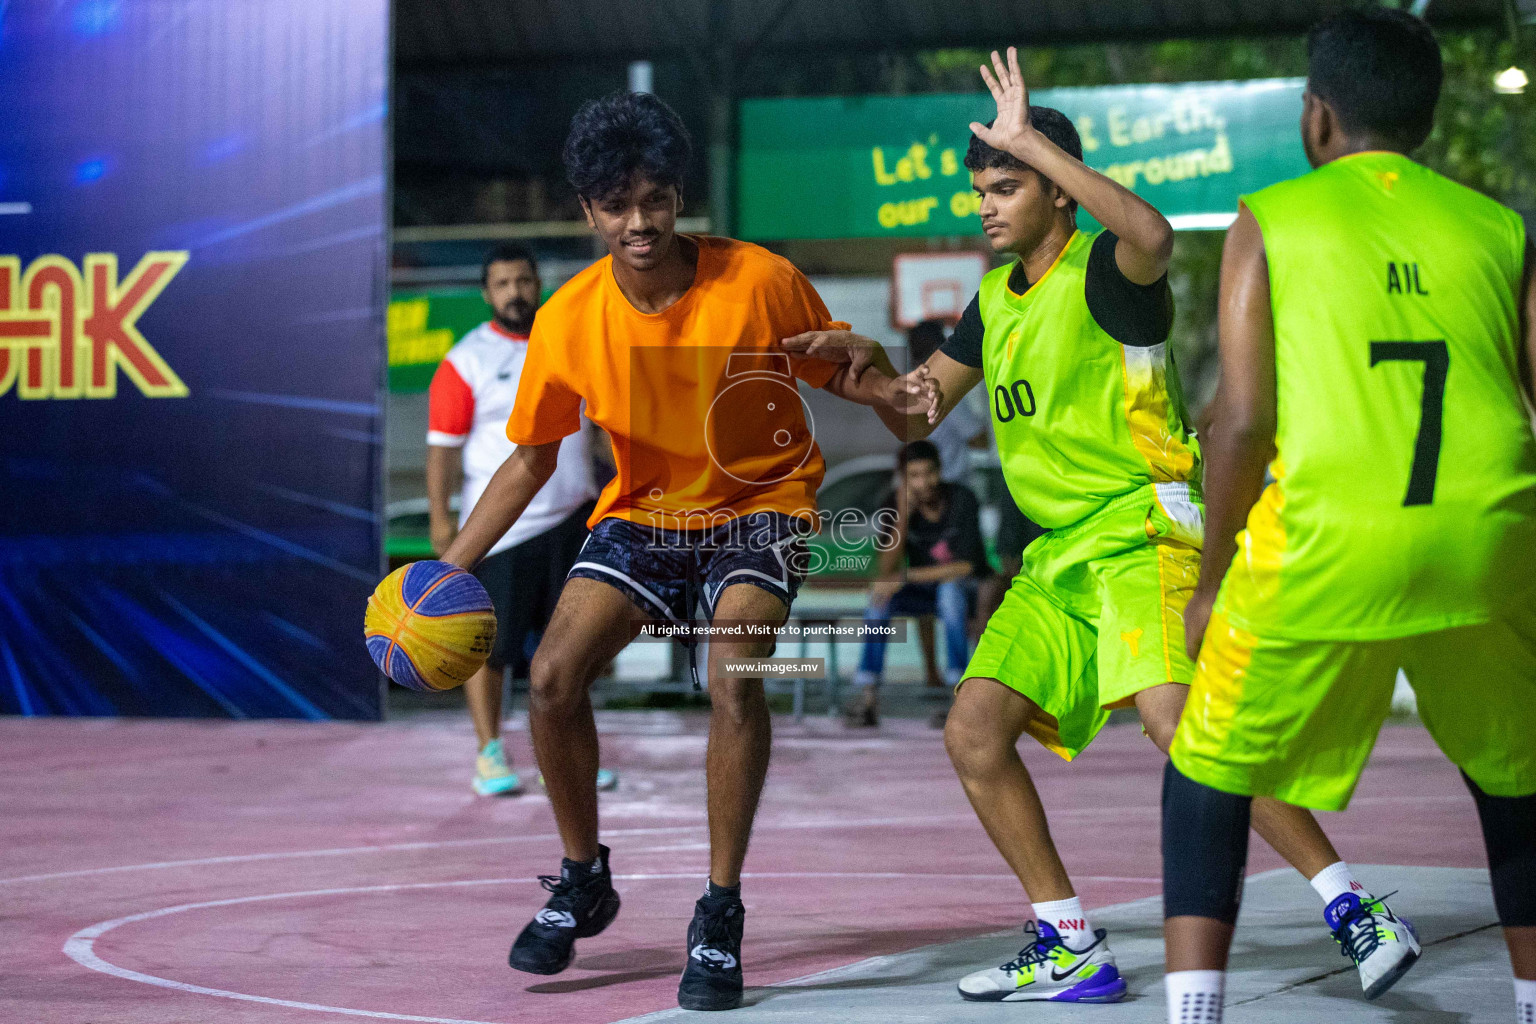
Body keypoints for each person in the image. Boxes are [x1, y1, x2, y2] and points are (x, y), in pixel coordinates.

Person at [787, 47, 1412, 1005]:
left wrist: (1034, 137)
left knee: (1181, 724)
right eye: (984, 189)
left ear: (1057, 196)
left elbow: (1154, 231)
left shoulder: (1109, 277)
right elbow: (918, 414)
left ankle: (1354, 907)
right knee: (974, 731)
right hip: (1059, 558)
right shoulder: (992, 305)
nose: (988, 205)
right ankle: (1070, 941)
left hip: (1141, 530)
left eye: (1008, 187)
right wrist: (860, 370)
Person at [439, 91, 924, 1011]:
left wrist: (879, 367)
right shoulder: (569, 318)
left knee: (733, 672)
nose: (639, 222)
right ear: (588, 211)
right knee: (549, 677)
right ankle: (583, 876)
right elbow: (531, 459)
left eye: (656, 199)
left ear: (679, 198)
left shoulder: (761, 282)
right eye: (617, 205)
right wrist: (451, 566)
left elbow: (880, 398)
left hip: (762, 505)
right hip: (645, 516)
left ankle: (719, 910)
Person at [1161, 10, 1536, 1022]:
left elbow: (1244, 421)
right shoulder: (1499, 227)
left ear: (1315, 116)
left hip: (1329, 540)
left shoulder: (1274, 217)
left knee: (1207, 761)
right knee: (1518, 779)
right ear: (1427, 116)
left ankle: (1194, 1010)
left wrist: (1208, 580)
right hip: (1485, 535)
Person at [427, 244, 614, 797]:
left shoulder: (568, 345)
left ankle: (567, 750)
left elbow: (600, 430)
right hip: (504, 528)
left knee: (575, 648)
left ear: (539, 285)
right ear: (487, 294)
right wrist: (444, 524)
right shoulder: (466, 361)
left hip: (576, 520)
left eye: (524, 281)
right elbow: (442, 450)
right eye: (503, 283)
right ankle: (490, 753)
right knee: (490, 648)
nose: (515, 292)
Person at [847, 439, 988, 726]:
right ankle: (868, 695)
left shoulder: (962, 498)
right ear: (903, 478)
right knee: (880, 598)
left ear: (941, 470)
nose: (925, 482)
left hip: (968, 592)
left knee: (950, 593)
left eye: (930, 473)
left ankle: (957, 696)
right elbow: (886, 570)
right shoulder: (895, 503)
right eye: (915, 476)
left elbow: (965, 566)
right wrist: (902, 517)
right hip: (925, 592)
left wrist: (906, 576)